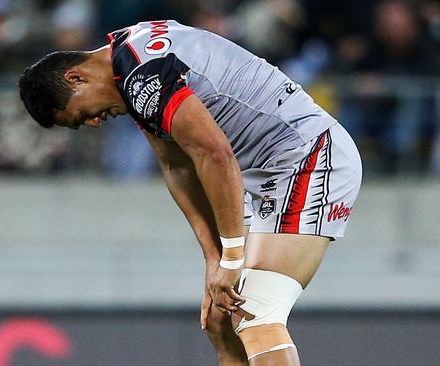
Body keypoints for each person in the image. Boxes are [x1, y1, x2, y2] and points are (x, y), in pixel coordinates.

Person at [18, 20, 362, 366]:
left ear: (76, 78)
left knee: (256, 313)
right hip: (272, 169)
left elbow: (214, 154)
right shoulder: (126, 61)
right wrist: (215, 259)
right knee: (221, 318)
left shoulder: (144, 77)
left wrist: (231, 256)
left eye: (81, 116)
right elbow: (177, 167)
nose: (94, 122)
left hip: (307, 156)